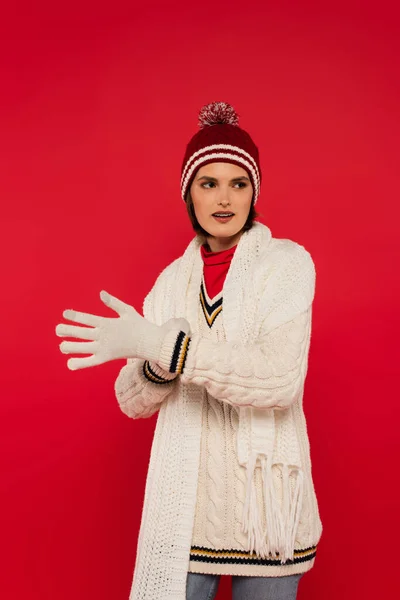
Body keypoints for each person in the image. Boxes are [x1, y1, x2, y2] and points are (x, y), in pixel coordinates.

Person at [56, 101, 323, 600]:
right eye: (208, 183)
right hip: (184, 515)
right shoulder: (169, 284)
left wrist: (169, 346)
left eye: (238, 183)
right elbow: (132, 400)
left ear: (253, 192)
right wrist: (153, 362)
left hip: (265, 514)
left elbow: (278, 379)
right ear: (189, 195)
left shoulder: (287, 265)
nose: (224, 198)